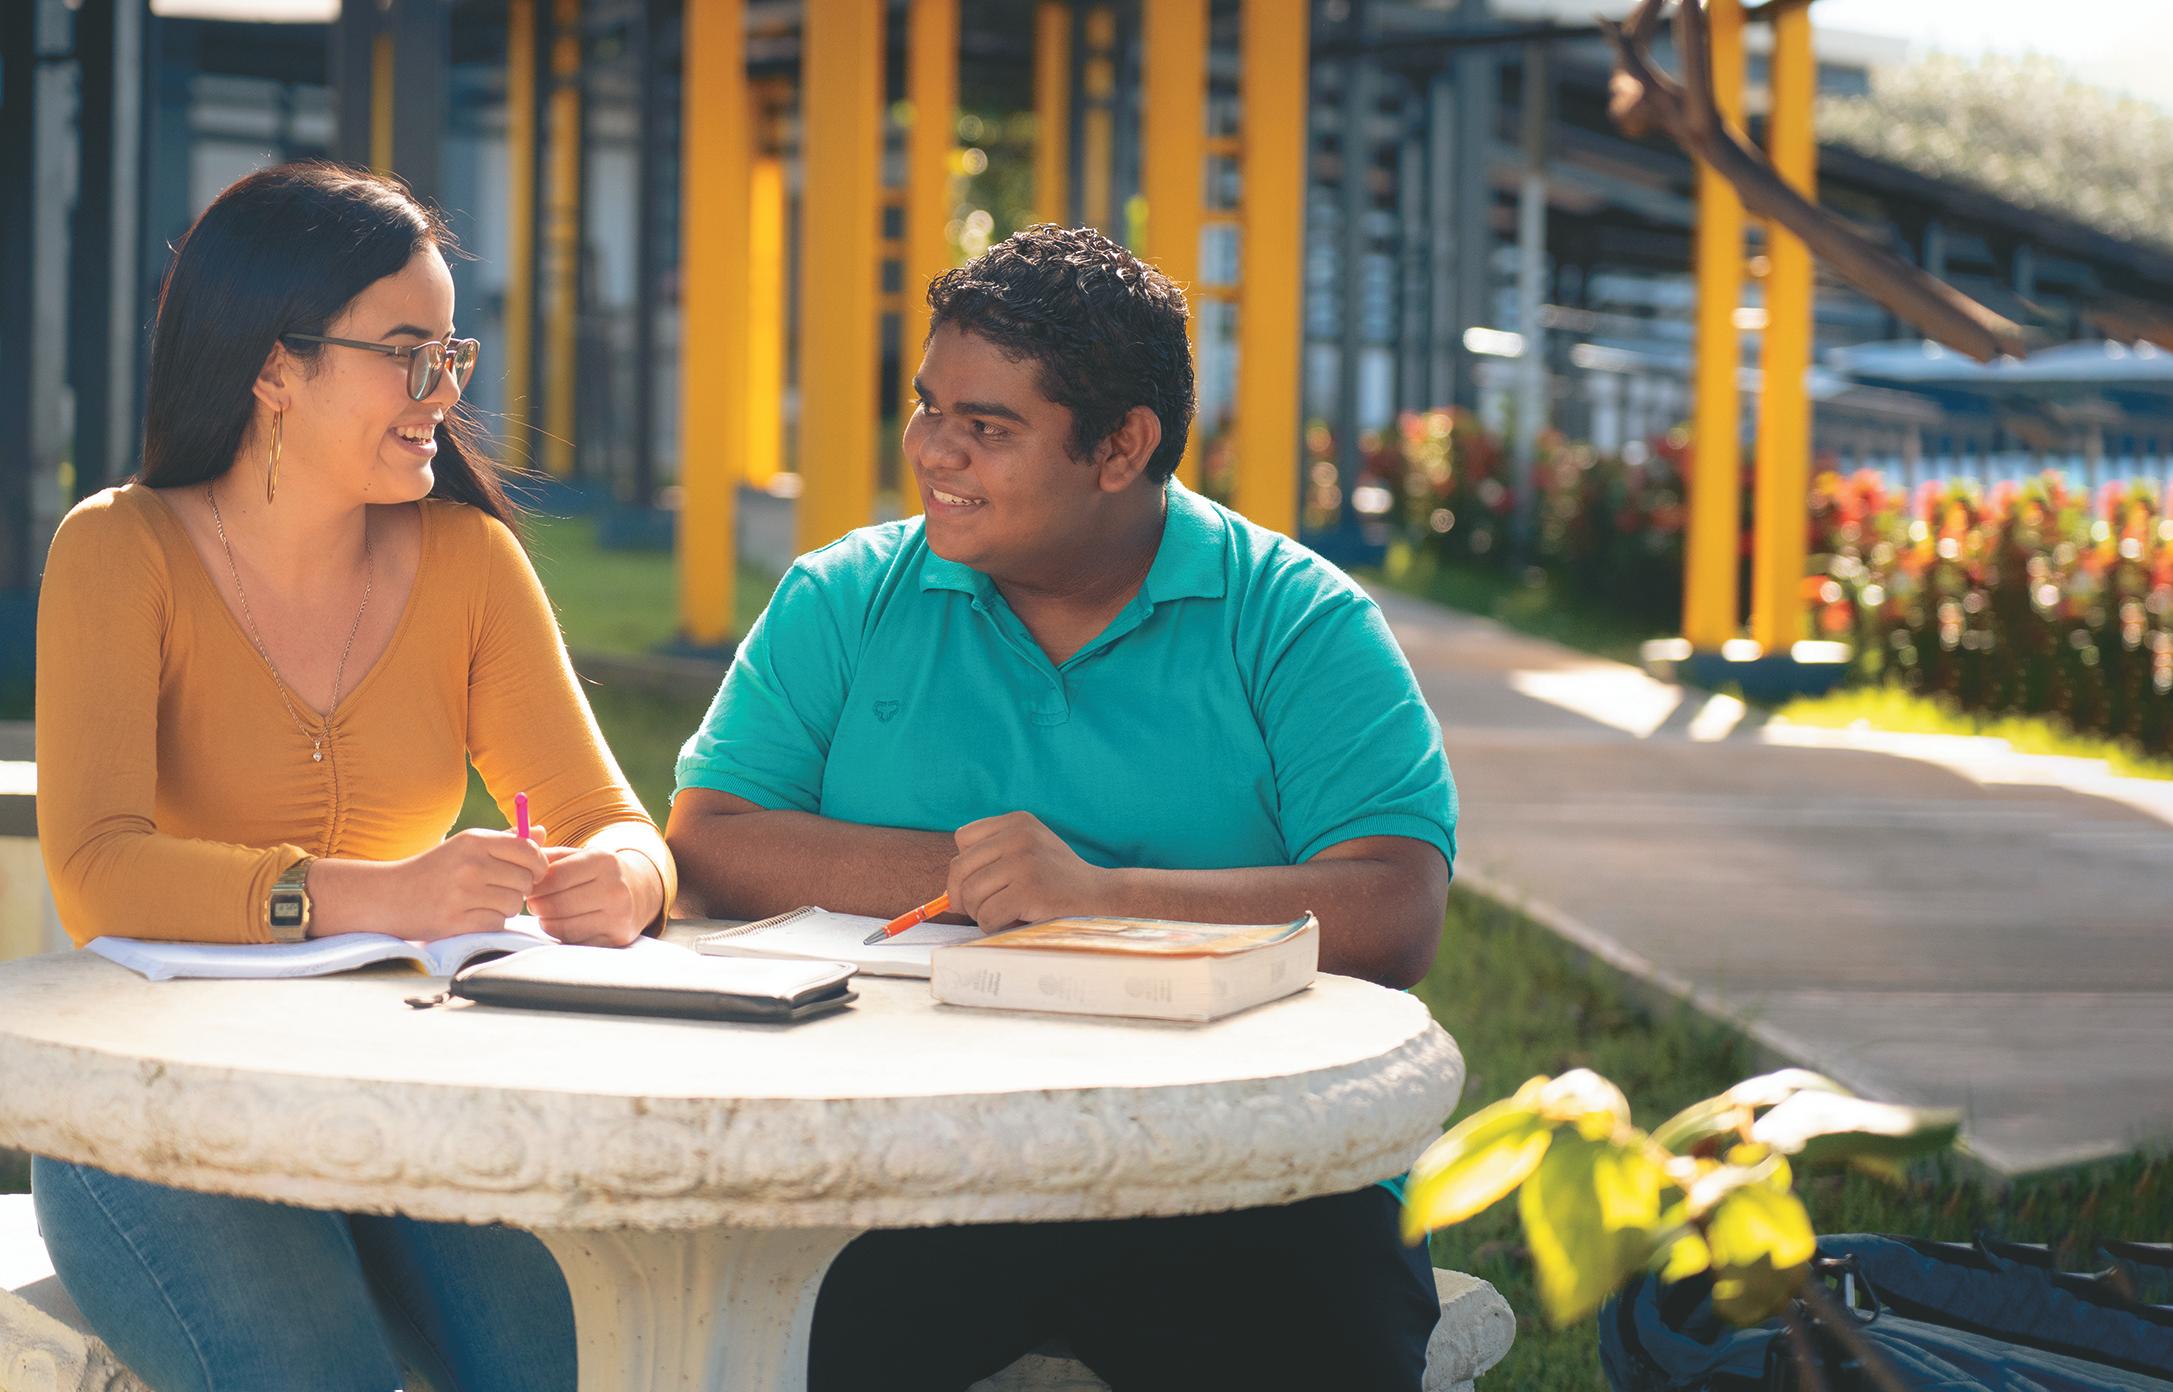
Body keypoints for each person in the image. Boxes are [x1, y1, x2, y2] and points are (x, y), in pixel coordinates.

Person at [668, 224, 1457, 1391]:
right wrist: (976, 881)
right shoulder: (841, 596)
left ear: (1120, 447)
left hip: (1239, 1163)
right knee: (729, 1340)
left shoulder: (1297, 619)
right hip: (893, 1153)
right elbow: (710, 842)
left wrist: (1097, 898)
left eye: (987, 427)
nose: (932, 450)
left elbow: (1394, 907)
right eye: (928, 406)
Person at [31, 162, 668, 1392]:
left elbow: (615, 821)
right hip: (157, 1111)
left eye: (451, 354)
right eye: (406, 355)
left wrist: (625, 881)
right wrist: (388, 895)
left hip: (408, 1099)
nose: (445, 391)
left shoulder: (470, 562)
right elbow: (99, 874)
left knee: (570, 1369)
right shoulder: (118, 549)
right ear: (277, 369)